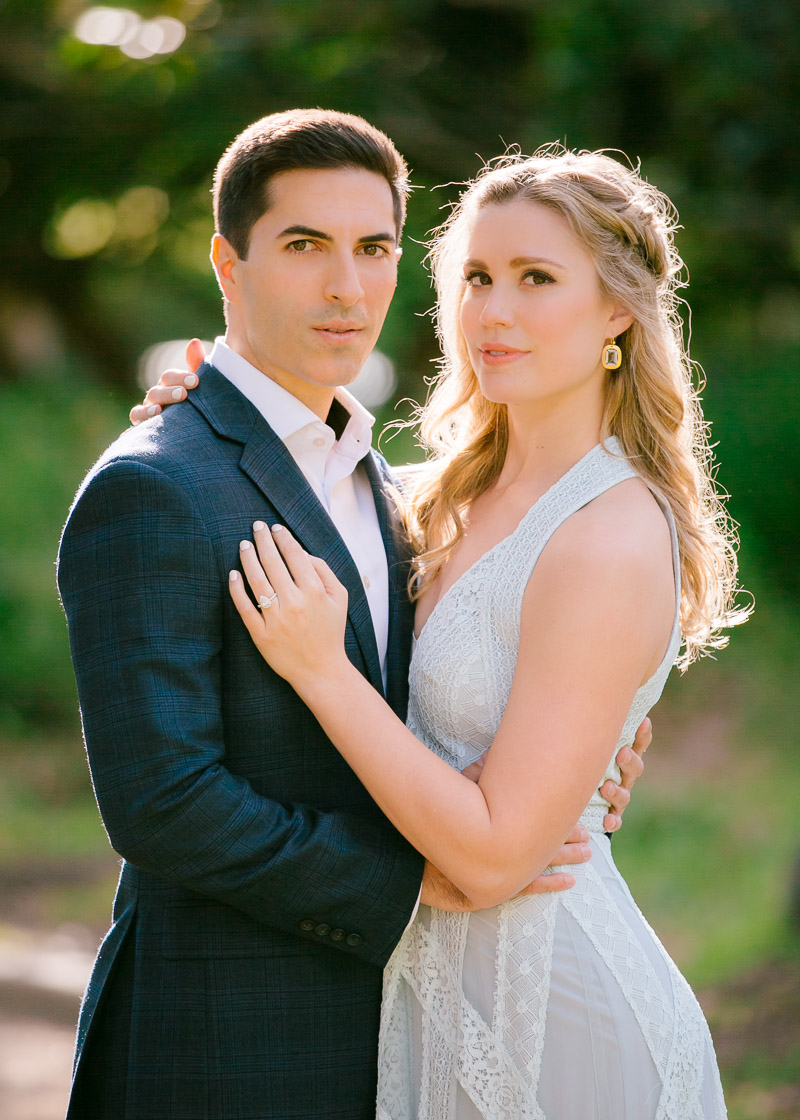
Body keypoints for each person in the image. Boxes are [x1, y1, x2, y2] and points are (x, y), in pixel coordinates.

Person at [58, 113, 646, 1120]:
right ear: (226, 262)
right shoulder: (156, 487)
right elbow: (163, 802)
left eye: (372, 247)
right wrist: (415, 880)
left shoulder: (391, 487)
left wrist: (578, 756)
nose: (347, 287)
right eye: (303, 246)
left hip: (404, 1041)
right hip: (225, 1047)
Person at [193, 148, 747, 1116]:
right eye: (475, 279)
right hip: (428, 991)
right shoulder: (432, 496)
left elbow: (493, 857)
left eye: (535, 278)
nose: (491, 312)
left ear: (615, 309)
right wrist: (189, 419)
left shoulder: (606, 534)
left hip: (558, 1026)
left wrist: (326, 674)